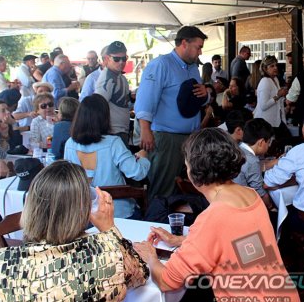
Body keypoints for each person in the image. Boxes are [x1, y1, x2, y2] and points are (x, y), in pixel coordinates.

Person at [133, 128, 299, 302]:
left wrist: (150, 256)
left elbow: (167, 281)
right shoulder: (251, 195)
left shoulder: (214, 217)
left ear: (194, 171)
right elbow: (233, 241)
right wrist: (181, 240)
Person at [0, 160, 149, 302]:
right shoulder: (105, 255)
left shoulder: (1, 262)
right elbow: (139, 275)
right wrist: (109, 229)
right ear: (82, 209)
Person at [135, 26, 209, 199]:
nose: (200, 52)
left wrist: (206, 95)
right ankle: (156, 215)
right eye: (198, 47)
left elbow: (197, 98)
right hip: (167, 138)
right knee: (163, 189)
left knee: (184, 190)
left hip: (190, 138)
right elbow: (146, 98)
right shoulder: (161, 65)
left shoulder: (193, 68)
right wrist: (145, 129)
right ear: (184, 43)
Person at [65, 94, 150, 218]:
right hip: (117, 213)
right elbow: (137, 173)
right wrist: (143, 157)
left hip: (84, 214)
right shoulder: (113, 143)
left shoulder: (70, 144)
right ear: (105, 117)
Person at [234, 118, 276, 209]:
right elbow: (260, 193)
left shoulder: (237, 147)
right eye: (269, 142)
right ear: (261, 142)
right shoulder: (252, 160)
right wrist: (270, 207)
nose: (269, 146)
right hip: (242, 203)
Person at [95, 41, 132, 146]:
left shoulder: (120, 77)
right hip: (112, 133)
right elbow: (98, 106)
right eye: (116, 59)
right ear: (107, 58)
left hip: (120, 131)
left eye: (124, 58)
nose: (121, 62)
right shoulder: (107, 78)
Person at [253, 55, 289, 137]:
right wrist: (278, 95)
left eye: (276, 65)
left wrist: (283, 96)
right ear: (265, 69)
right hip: (266, 122)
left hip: (276, 120)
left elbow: (277, 99)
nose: (275, 68)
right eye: (272, 66)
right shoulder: (265, 82)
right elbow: (263, 106)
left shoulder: (275, 79)